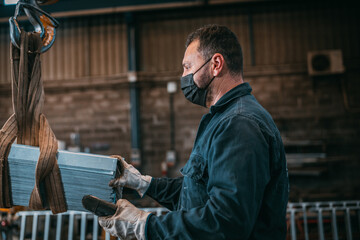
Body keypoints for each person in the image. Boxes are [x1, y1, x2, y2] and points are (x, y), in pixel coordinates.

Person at [99, 24, 289, 240]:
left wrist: (145, 225)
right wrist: (143, 183)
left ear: (216, 64)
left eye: (188, 67)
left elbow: (226, 221)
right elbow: (197, 193)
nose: (183, 76)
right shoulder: (221, 120)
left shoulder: (239, 125)